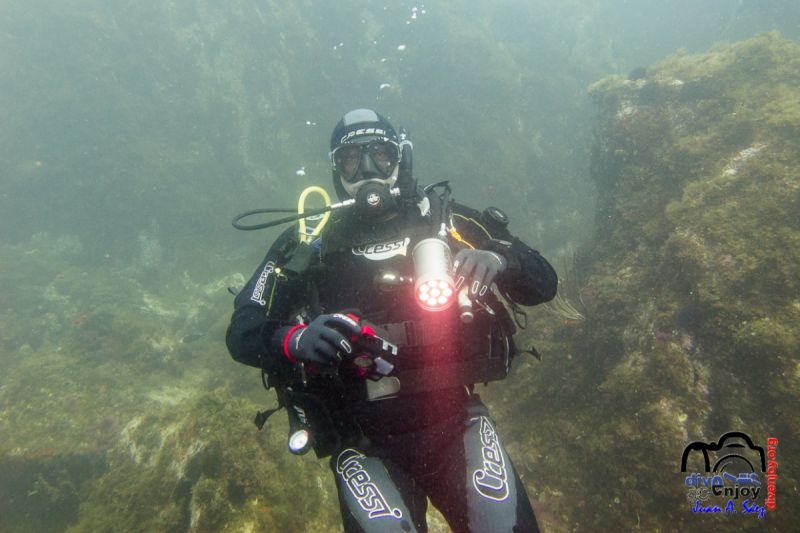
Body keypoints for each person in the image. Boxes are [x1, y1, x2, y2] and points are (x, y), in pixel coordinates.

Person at [226, 109, 557, 532]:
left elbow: (544, 282)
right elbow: (242, 331)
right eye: (351, 160)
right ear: (334, 170)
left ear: (402, 159)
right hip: (359, 439)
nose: (367, 171)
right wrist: (294, 339)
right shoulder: (309, 240)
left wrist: (500, 258)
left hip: (456, 422)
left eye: (380, 155)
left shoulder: (445, 220)